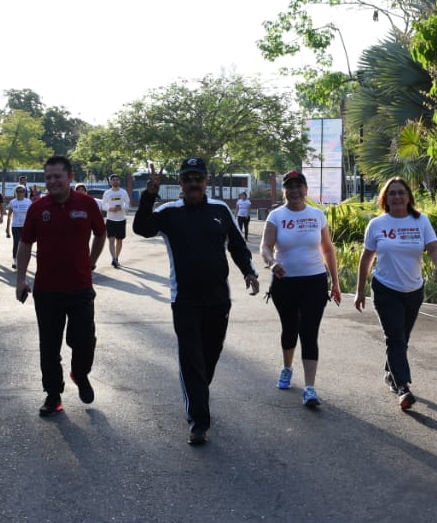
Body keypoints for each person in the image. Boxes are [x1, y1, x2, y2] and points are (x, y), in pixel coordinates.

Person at [133, 156, 259, 446]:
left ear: (206, 181)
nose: (193, 183)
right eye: (187, 179)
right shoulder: (169, 212)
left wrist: (249, 271)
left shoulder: (220, 210)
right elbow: (142, 228)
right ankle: (198, 422)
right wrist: (149, 195)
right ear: (180, 183)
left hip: (218, 300)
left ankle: (199, 393)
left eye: (198, 178)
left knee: (209, 357)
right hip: (185, 300)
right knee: (191, 360)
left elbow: (237, 245)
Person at [15, 155, 107, 417]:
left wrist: (91, 261)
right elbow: (25, 244)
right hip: (47, 291)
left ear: (70, 177)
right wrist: (20, 280)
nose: (53, 181)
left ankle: (80, 373)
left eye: (58, 176)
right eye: (48, 177)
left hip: (80, 288)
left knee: (84, 340)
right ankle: (53, 395)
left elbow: (101, 233)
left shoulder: (87, 204)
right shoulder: (37, 208)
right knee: (49, 346)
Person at [354, 177, 437, 412]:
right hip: (385, 289)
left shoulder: (420, 220)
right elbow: (366, 258)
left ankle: (390, 374)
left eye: (401, 192)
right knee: (395, 338)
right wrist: (360, 291)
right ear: (385, 198)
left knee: (402, 338)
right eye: (392, 193)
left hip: (413, 290)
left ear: (408, 197)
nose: (397, 197)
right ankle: (403, 387)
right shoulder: (377, 224)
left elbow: (434, 248)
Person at [259, 170, 341, 408]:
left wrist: (335, 282)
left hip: (314, 281)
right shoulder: (276, 216)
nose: (295, 191)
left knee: (309, 331)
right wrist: (272, 263)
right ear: (284, 191)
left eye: (299, 186)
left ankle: (310, 388)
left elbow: (328, 249)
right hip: (285, 282)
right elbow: (265, 246)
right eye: (290, 187)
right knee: (290, 328)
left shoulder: (317, 215)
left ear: (306, 189)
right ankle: (287, 368)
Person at [101, 174, 131, 268]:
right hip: (110, 220)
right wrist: (110, 208)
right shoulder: (107, 193)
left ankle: (117, 258)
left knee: (119, 241)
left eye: (117, 180)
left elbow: (128, 204)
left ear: (119, 181)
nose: (115, 181)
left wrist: (121, 207)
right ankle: (113, 259)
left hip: (121, 220)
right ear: (110, 182)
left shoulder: (123, 192)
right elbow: (103, 205)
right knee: (111, 240)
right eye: (113, 180)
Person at [5, 185, 32, 269]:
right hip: (16, 226)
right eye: (17, 191)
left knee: (25, 245)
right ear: (15, 193)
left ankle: (23, 261)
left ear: (24, 193)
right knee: (16, 243)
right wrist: (7, 229)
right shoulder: (13, 202)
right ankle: (15, 260)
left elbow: (31, 215)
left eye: (21, 191)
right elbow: (9, 216)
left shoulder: (28, 202)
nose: (19, 193)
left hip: (25, 227)